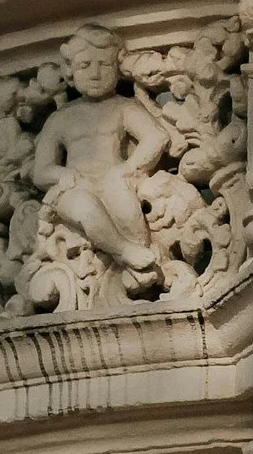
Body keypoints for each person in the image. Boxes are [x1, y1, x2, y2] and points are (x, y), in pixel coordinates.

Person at [29, 23, 168, 295]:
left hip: (112, 179)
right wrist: (61, 175)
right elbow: (40, 170)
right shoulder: (61, 118)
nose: (95, 73)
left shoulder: (122, 107)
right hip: (75, 187)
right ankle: (125, 252)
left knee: (122, 198)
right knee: (83, 205)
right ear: (70, 72)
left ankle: (140, 254)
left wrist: (128, 167)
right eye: (85, 66)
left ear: (116, 68)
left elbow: (156, 138)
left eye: (103, 65)